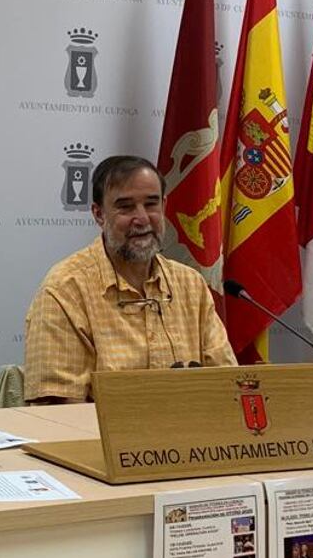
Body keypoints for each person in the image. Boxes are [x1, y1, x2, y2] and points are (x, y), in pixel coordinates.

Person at [23, 155, 236, 403]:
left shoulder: (190, 284)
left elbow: (228, 386)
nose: (142, 218)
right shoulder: (65, 290)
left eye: (151, 204)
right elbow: (58, 412)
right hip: (99, 440)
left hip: (189, 437)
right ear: (99, 214)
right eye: (125, 207)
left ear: (164, 206)